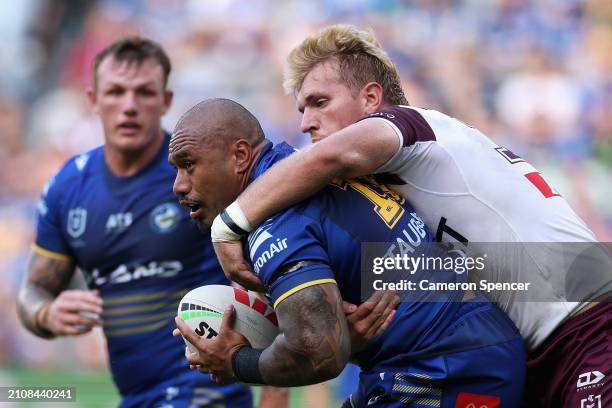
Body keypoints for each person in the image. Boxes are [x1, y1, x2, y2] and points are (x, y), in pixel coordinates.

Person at [208, 25, 611, 407]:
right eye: (301, 108)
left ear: (370, 98)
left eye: (319, 102)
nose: (305, 122)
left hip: (592, 326)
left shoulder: (411, 125)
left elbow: (330, 156)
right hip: (540, 349)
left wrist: (229, 225)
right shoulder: (395, 191)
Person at [169, 98, 526, 407]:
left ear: (240, 155)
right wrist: (341, 339)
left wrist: (234, 361)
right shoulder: (299, 174)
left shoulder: (274, 224)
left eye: (189, 164)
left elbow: (319, 355)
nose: (179, 185)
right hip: (461, 350)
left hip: (443, 369)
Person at [16, 37, 285, 408]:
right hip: (133, 395)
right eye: (116, 92)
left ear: (166, 101)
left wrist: (276, 392)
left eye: (144, 92)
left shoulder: (204, 173)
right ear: (93, 100)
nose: (129, 106)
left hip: (206, 390)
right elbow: (33, 292)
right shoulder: (68, 188)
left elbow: (269, 275)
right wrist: (45, 314)